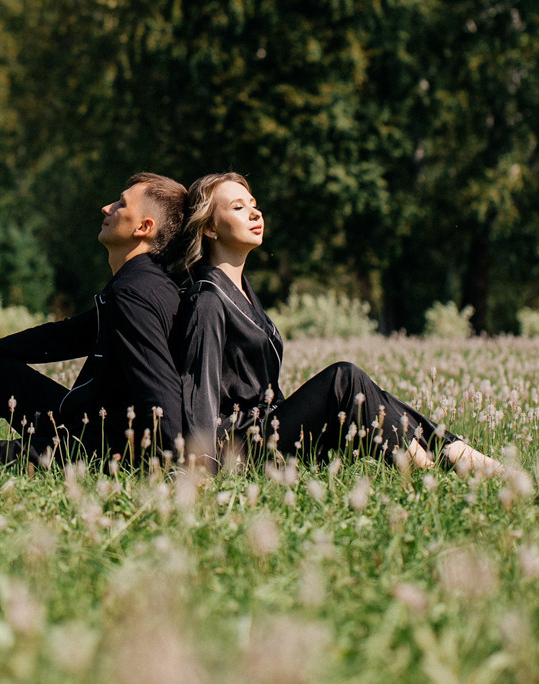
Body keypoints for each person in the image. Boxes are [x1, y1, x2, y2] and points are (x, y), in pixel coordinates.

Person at [175, 172, 503, 476]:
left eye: (254, 205)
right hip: (243, 451)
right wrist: (202, 468)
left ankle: (448, 452)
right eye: (238, 207)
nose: (255, 213)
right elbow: (199, 388)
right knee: (344, 378)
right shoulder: (208, 299)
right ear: (210, 228)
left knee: (368, 395)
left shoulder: (243, 291)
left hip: (270, 432)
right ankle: (432, 463)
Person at [0, 171, 188, 471]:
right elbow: (62, 337)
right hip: (83, 424)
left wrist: (175, 467)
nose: (107, 208)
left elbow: (158, 386)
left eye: (121, 204)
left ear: (143, 227)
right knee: (1, 374)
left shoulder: (134, 295)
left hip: (98, 451)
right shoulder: (141, 285)